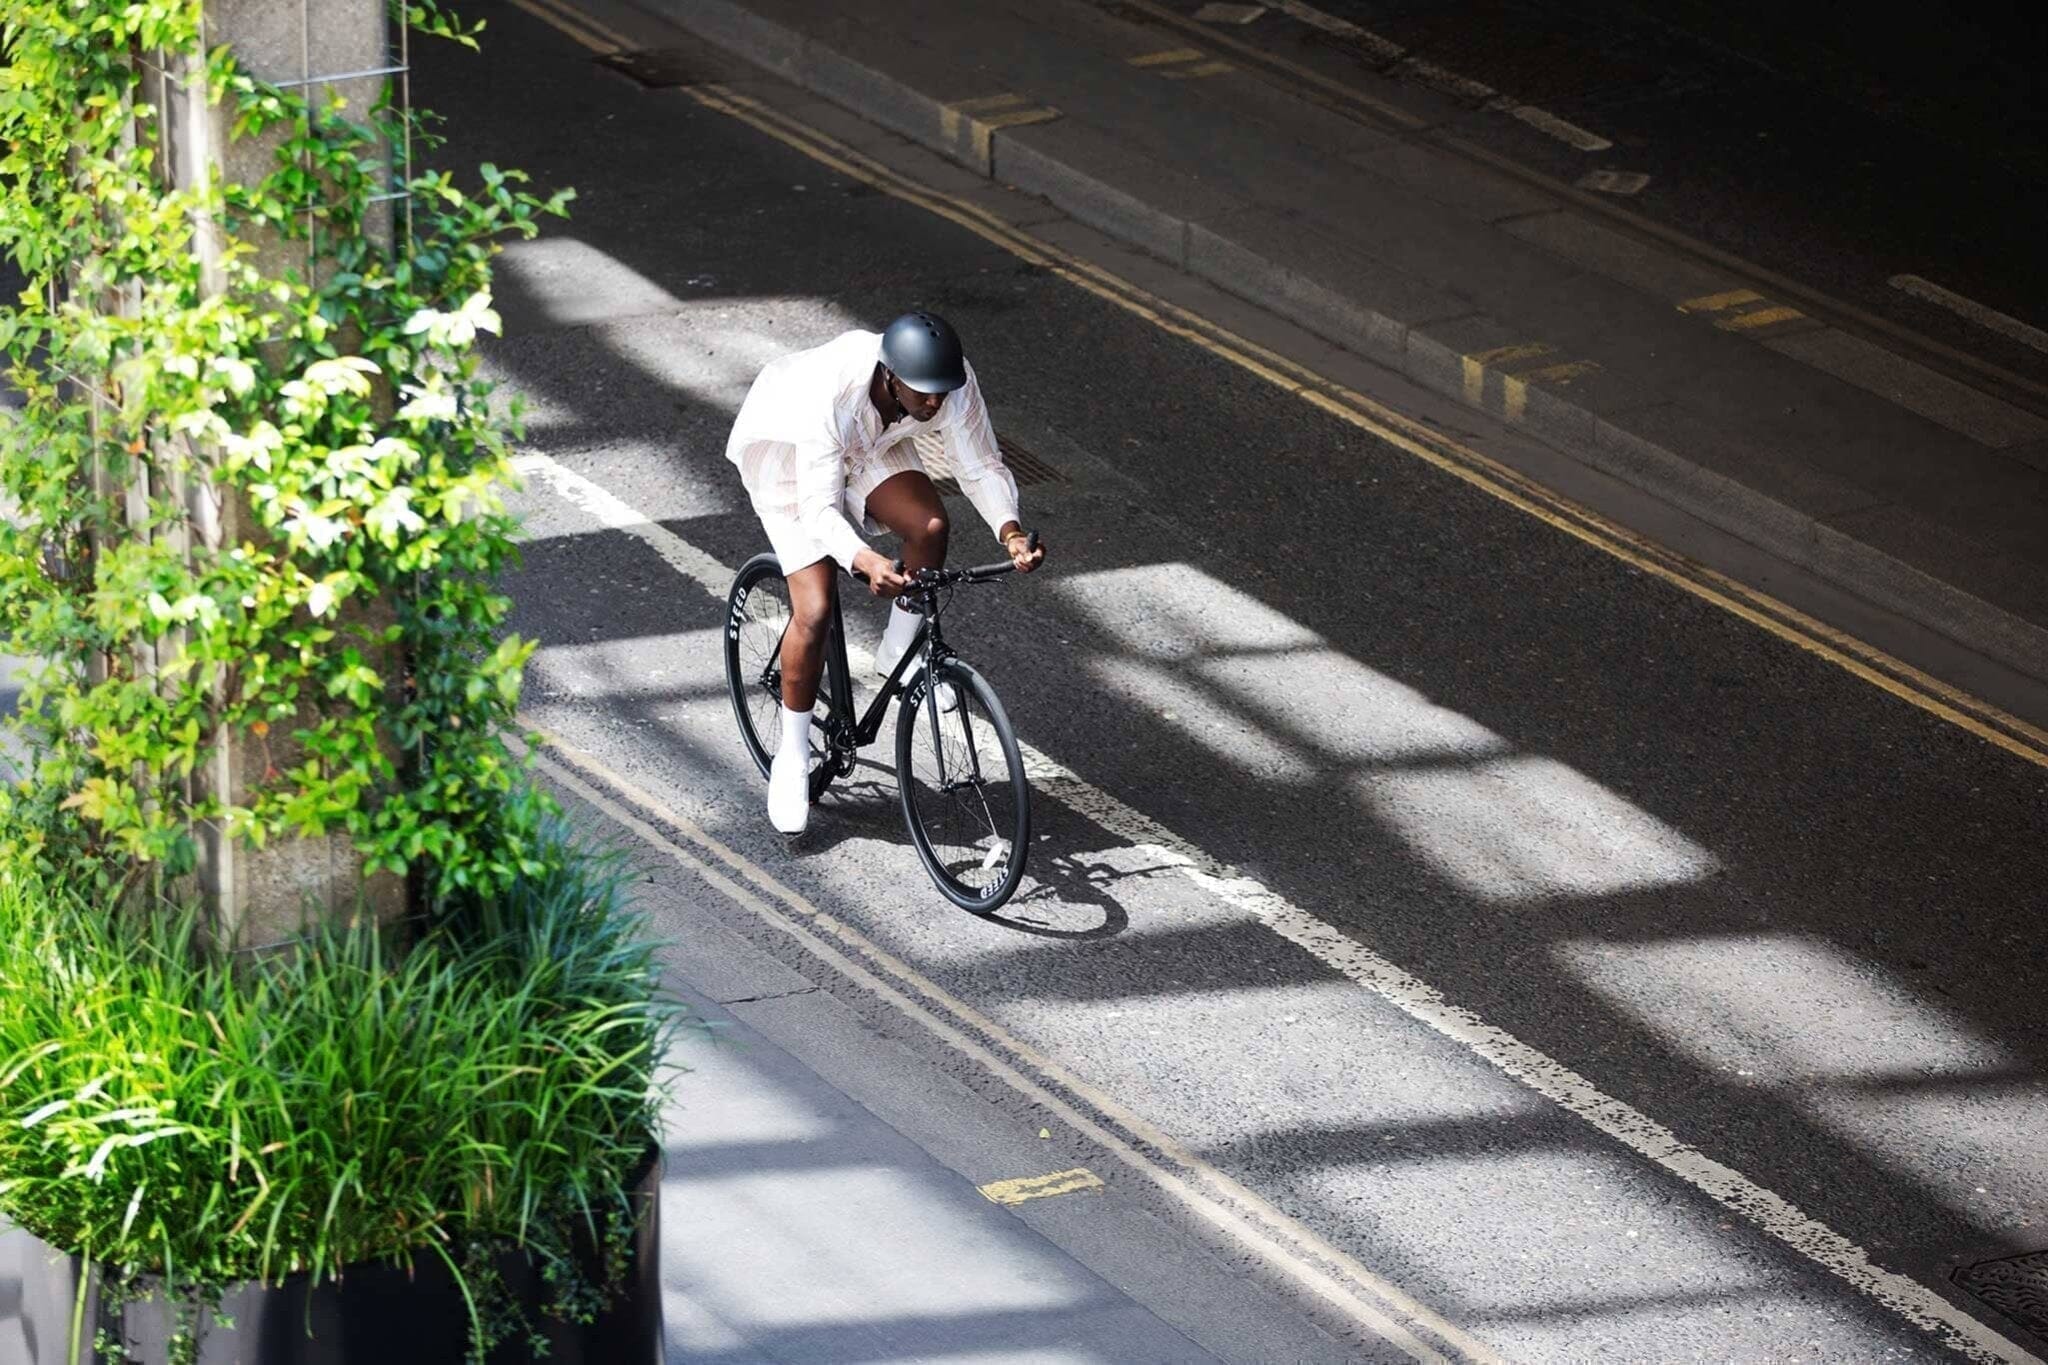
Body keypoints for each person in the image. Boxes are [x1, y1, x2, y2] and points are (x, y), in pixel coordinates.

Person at [725, 311, 1047, 835]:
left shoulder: (944, 382)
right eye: (925, 394)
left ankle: (898, 651)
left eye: (942, 392)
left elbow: (980, 464)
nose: (936, 404)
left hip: (874, 440)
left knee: (931, 526)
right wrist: (866, 560)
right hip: (790, 454)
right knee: (816, 609)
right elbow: (820, 511)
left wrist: (1010, 532)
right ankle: (790, 754)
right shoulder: (829, 395)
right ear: (889, 375)